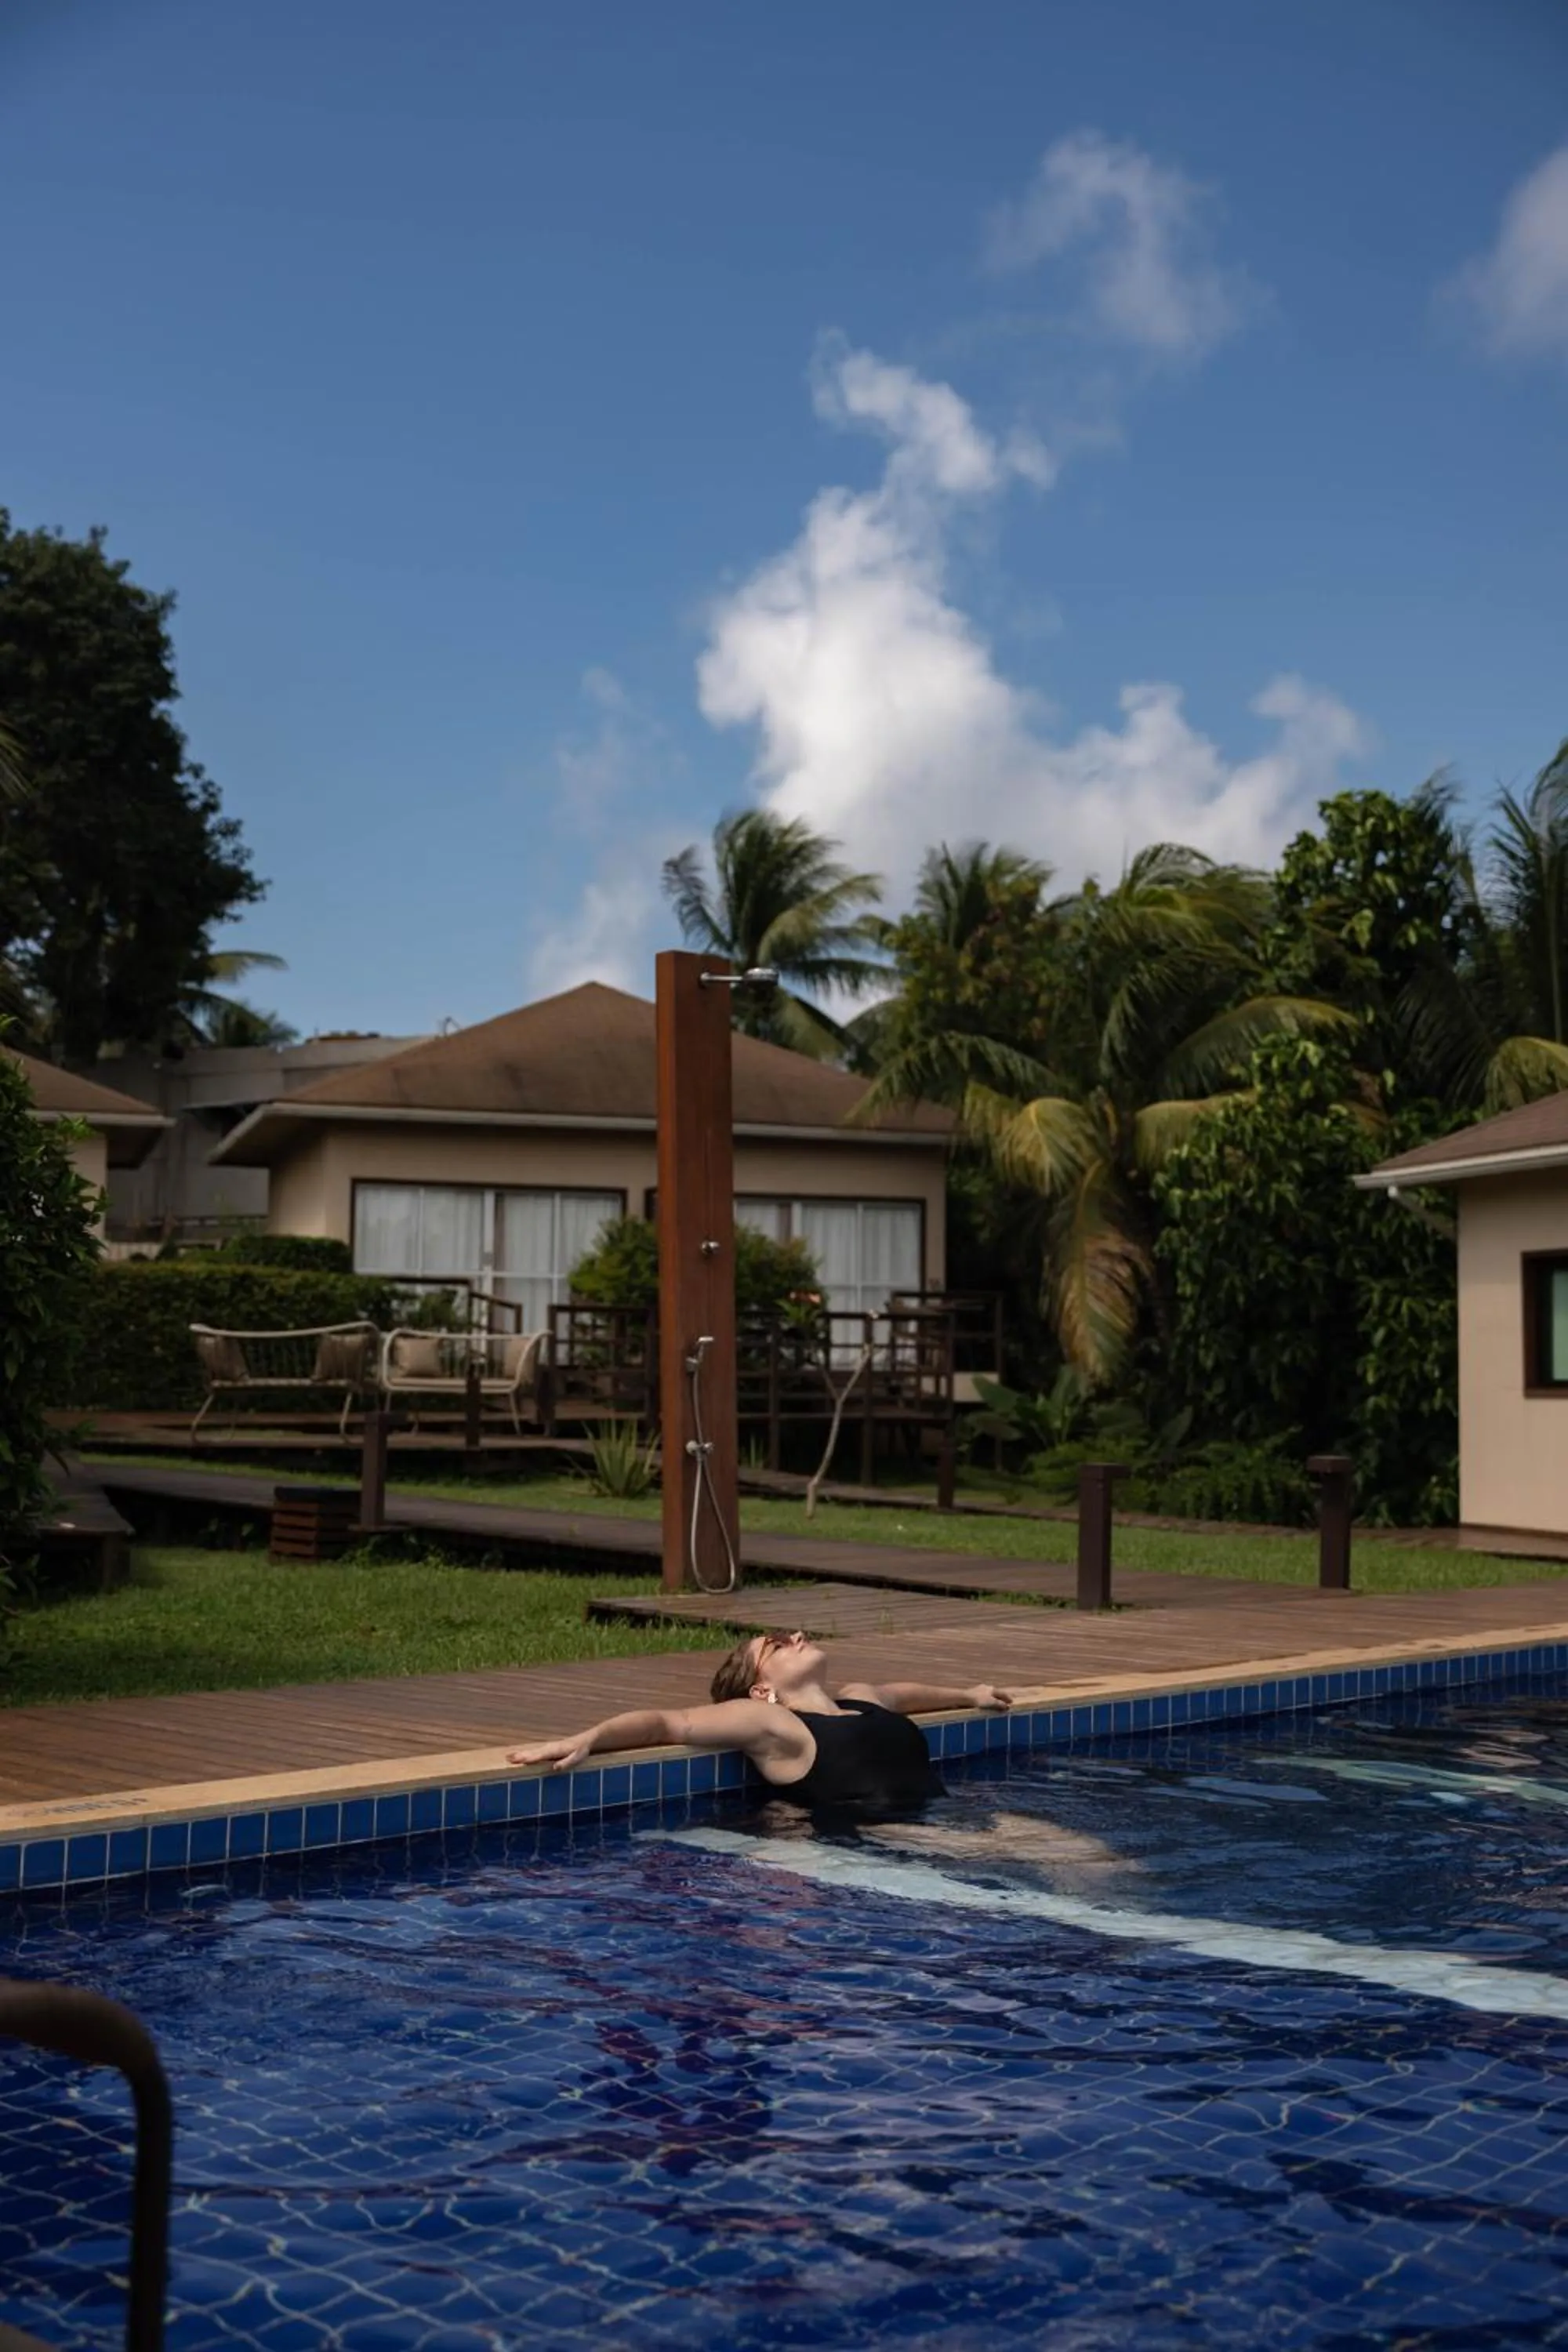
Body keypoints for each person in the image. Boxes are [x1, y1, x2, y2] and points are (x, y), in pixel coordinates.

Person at [506, 1628, 1011, 1815]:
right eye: (775, 1645)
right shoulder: (775, 1724)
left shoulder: (859, 1699)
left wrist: (971, 1693)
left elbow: (905, 1694)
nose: (795, 1635)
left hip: (948, 1817)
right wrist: (590, 1738)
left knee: (1083, 1859)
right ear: (760, 1690)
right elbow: (669, 1722)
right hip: (900, 1840)